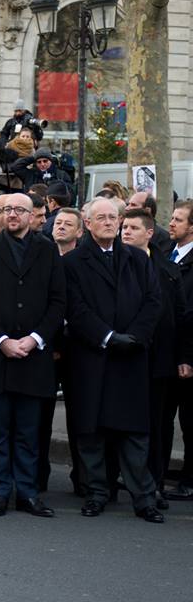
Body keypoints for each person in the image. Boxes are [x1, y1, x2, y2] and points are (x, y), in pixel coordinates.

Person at [63, 198, 164, 522]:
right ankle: (96, 493)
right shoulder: (74, 263)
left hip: (131, 358)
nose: (108, 222)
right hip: (92, 358)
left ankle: (143, 498)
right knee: (91, 434)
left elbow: (153, 301)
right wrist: (107, 337)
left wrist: (134, 337)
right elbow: (75, 309)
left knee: (135, 434)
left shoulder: (137, 259)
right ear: (88, 224)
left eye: (113, 217)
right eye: (101, 218)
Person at [0, 193, 66, 517]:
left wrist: (34, 339)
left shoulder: (47, 250)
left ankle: (26, 493)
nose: (12, 215)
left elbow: (57, 302)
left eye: (19, 210)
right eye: (7, 209)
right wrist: (2, 340)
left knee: (28, 433)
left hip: (34, 357)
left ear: (32, 215)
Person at [120, 208, 189, 509]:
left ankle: (153, 484)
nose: (126, 232)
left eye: (133, 228)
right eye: (124, 227)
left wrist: (184, 357)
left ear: (149, 233)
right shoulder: (112, 264)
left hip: (158, 360)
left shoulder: (168, 270)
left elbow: (182, 319)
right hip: (121, 358)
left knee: (157, 424)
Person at [163, 200, 193, 500]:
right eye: (172, 218)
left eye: (178, 220)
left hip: (186, 356)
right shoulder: (169, 254)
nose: (171, 223)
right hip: (168, 353)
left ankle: (190, 478)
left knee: (189, 421)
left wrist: (187, 356)